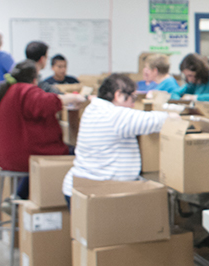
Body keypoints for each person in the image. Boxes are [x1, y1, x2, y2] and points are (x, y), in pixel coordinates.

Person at [62, 73, 172, 204]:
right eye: (133, 98)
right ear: (119, 95)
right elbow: (158, 120)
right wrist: (175, 116)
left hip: (82, 188)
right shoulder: (114, 115)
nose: (133, 104)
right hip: (95, 192)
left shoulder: (94, 108)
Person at [0, 60, 85, 198]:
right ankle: (55, 200)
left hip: (2, 152)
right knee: (77, 155)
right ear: (34, 78)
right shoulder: (26, 91)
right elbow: (46, 103)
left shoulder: (8, 91)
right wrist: (73, 98)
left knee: (38, 161)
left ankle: (19, 196)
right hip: (20, 154)